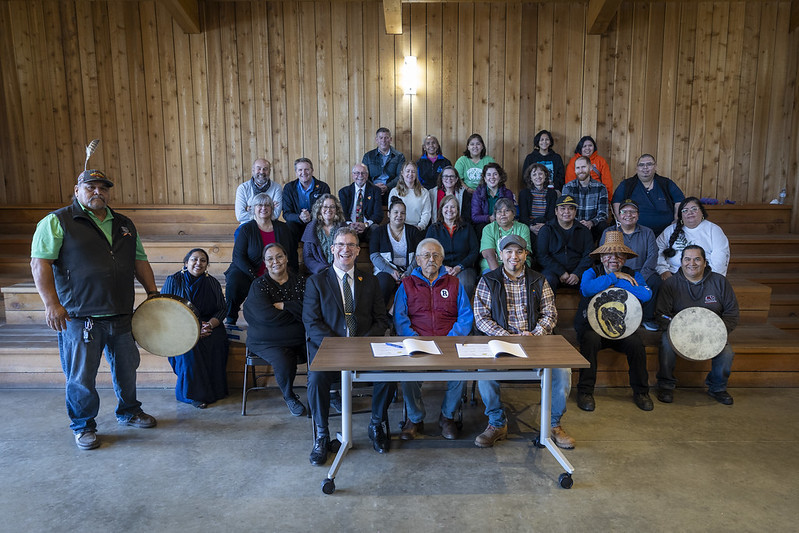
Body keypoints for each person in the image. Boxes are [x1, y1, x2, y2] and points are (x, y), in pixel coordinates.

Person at [30, 168, 158, 451]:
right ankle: (83, 426)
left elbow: (140, 260)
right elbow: (40, 263)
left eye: (103, 187)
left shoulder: (124, 224)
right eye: (90, 187)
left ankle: (130, 411)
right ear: (77, 191)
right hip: (80, 318)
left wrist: (153, 294)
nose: (97, 191)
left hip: (122, 314)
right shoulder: (57, 221)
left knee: (127, 369)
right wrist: (52, 304)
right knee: (81, 377)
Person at [303, 227, 395, 465]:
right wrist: (340, 346)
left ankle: (376, 424)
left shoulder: (370, 280)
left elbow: (381, 320)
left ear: (357, 251)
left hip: (363, 349)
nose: (346, 249)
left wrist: (358, 344)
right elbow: (311, 323)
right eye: (341, 245)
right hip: (330, 352)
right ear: (332, 249)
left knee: (389, 374)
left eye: (352, 245)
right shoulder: (316, 282)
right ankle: (322, 435)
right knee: (316, 379)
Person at [473, 235, 574, 449]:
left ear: (525, 254)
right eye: (508, 251)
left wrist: (535, 334)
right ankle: (497, 423)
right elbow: (481, 317)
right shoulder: (487, 280)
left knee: (562, 370)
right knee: (484, 371)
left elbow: (550, 314)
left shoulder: (539, 279)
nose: (514, 256)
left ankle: (553, 425)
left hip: (534, 342)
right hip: (502, 342)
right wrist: (505, 337)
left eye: (519, 251)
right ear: (501, 255)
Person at [393, 239, 474, 440]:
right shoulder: (406, 284)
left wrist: (450, 339)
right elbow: (400, 318)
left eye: (436, 255)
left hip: (449, 343)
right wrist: (414, 340)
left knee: (460, 371)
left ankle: (447, 417)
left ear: (442, 259)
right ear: (418, 260)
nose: (432, 259)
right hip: (418, 343)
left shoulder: (455, 283)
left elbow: (465, 316)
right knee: (408, 372)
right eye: (427, 255)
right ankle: (415, 418)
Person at [575, 232, 654, 412]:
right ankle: (585, 391)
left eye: (619, 255)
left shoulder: (634, 274)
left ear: (625, 258)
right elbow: (587, 290)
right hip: (592, 327)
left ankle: (641, 392)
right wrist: (613, 277)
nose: (614, 259)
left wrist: (618, 281)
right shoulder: (591, 272)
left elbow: (646, 294)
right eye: (609, 254)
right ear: (602, 257)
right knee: (590, 340)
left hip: (623, 329)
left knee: (636, 344)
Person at [655, 245, 739, 405]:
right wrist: (678, 328)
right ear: (681, 262)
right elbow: (661, 314)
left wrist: (718, 331)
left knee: (727, 352)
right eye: (687, 259)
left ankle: (717, 388)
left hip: (712, 333)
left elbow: (732, 313)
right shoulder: (671, 284)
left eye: (697, 259)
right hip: (678, 331)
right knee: (666, 344)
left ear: (705, 262)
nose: (691, 263)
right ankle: (665, 385)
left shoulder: (720, 282)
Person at [243, 243, 308, 417]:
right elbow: (266, 316)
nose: (275, 261)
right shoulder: (259, 285)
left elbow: (311, 309)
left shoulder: (301, 281)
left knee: (322, 350)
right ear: (265, 262)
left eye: (279, 256)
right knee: (283, 358)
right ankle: (289, 396)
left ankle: (330, 393)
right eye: (270, 258)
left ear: (286, 258)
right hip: (266, 342)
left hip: (300, 339)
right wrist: (296, 314)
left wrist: (284, 305)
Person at [162, 248, 228, 409]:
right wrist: (193, 329)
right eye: (194, 259)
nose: (198, 263)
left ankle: (215, 391)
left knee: (218, 340)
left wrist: (210, 324)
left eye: (203, 260)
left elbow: (221, 309)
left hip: (208, 325)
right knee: (190, 347)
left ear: (207, 265)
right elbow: (163, 309)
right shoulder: (174, 280)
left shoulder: (212, 282)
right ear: (186, 262)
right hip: (179, 327)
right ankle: (194, 395)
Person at [224, 193, 295, 325]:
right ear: (253, 208)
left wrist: (293, 272)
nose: (263, 208)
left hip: (277, 271)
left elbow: (291, 253)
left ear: (272, 208)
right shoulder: (246, 229)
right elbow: (238, 257)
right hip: (249, 272)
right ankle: (231, 317)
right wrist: (255, 276)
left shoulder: (283, 228)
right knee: (235, 281)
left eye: (267, 205)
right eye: (260, 205)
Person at [602, 199, 660, 331]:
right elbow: (603, 256)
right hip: (617, 272)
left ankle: (647, 318)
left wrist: (638, 278)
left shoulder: (647, 232)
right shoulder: (609, 232)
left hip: (640, 273)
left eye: (633, 211)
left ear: (638, 215)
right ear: (618, 215)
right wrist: (618, 275)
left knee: (655, 280)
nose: (629, 214)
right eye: (624, 211)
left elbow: (652, 256)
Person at [612, 154, 685, 236]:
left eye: (649, 164)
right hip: (635, 232)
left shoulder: (666, 183)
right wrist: (621, 221)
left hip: (665, 232)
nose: (645, 167)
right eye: (641, 165)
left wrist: (676, 219)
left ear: (655, 167)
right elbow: (616, 202)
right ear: (637, 168)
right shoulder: (627, 184)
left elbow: (679, 200)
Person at [657, 197, 730, 278]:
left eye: (694, 209)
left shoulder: (713, 230)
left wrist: (711, 279)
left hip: (704, 276)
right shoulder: (670, 230)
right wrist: (663, 270)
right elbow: (657, 250)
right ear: (681, 216)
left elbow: (720, 257)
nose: (690, 212)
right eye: (685, 210)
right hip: (673, 275)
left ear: (702, 212)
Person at [369, 198, 424, 306]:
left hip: (409, 271)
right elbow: (374, 256)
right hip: (385, 270)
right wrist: (390, 271)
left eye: (402, 213)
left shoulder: (413, 232)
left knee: (415, 283)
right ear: (389, 214)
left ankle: (398, 315)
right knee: (384, 282)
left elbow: (420, 255)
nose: (399, 215)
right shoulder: (379, 232)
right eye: (396, 212)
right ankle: (380, 315)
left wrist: (408, 273)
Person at [536, 195, 594, 292]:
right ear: (556, 211)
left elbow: (589, 255)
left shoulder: (584, 231)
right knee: (547, 280)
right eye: (562, 209)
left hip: (577, 271)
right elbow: (542, 256)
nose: (566, 212)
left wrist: (577, 274)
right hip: (553, 272)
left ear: (575, 212)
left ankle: (584, 308)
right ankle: (548, 307)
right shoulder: (546, 230)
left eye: (571, 209)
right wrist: (561, 272)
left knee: (590, 282)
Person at [426, 194, 480, 296]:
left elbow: (474, 251)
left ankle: (461, 311)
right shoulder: (434, 229)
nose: (449, 210)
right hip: (438, 267)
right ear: (441, 209)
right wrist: (442, 267)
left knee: (466, 284)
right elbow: (427, 252)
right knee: (436, 283)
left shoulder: (467, 228)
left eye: (453, 207)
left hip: (464, 267)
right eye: (446, 207)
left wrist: (460, 266)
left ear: (458, 210)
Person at [562, 155, 609, 242]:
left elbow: (603, 213)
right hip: (574, 225)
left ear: (590, 168)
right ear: (575, 170)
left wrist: (591, 222)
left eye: (583, 167)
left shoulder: (601, 188)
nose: (580, 171)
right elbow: (565, 211)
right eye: (578, 168)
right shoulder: (568, 187)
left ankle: (601, 253)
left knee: (603, 226)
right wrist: (578, 223)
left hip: (593, 226)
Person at [282, 157, 331, 241]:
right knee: (288, 226)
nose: (303, 173)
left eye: (306, 169)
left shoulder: (323, 187)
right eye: (300, 170)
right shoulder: (289, 188)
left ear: (312, 170)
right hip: (296, 224)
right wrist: (299, 217)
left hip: (316, 223)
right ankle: (292, 254)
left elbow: (326, 210)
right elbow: (286, 214)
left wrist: (311, 216)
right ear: (296, 173)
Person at [479, 197, 533, 273]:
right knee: (492, 281)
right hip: (492, 267)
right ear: (495, 215)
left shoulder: (523, 228)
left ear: (513, 213)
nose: (503, 214)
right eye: (499, 212)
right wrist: (498, 274)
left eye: (507, 211)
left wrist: (512, 270)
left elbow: (525, 251)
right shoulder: (488, 229)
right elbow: (488, 254)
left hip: (518, 264)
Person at [301, 193, 346, 275]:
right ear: (320, 209)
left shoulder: (344, 228)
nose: (329, 209)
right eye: (325, 206)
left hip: (341, 272)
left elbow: (350, 252)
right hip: (318, 273)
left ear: (336, 210)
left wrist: (338, 269)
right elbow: (308, 257)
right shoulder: (311, 228)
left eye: (332, 207)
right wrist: (323, 269)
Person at [338, 163, 384, 240]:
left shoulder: (375, 191)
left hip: (368, 228)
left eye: (363, 173)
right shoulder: (344, 192)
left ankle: (374, 252)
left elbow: (378, 214)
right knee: (339, 228)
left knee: (376, 229)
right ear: (352, 175)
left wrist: (365, 225)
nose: (360, 175)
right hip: (349, 227)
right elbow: (343, 214)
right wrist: (350, 225)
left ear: (367, 175)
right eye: (357, 173)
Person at [362, 127, 406, 199]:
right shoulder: (368, 156)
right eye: (381, 138)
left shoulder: (399, 156)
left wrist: (387, 187)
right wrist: (374, 187)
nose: (383, 140)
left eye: (386, 138)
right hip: (371, 189)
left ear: (390, 139)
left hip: (392, 190)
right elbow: (363, 175)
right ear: (376, 140)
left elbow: (400, 176)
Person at [235, 158, 282, 224]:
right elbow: (240, 216)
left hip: (269, 226)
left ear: (269, 171)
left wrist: (251, 210)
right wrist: (267, 210)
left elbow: (276, 215)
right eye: (259, 168)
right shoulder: (243, 188)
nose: (262, 172)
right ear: (253, 171)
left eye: (265, 169)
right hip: (247, 226)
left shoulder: (277, 188)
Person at [388, 161, 432, 231]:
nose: (410, 174)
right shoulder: (394, 191)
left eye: (413, 172)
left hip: (417, 229)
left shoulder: (424, 192)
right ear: (402, 173)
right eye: (408, 171)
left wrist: (420, 226)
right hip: (399, 229)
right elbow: (392, 213)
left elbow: (426, 213)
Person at [518, 163, 559, 238]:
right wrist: (531, 227)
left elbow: (552, 216)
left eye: (540, 174)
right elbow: (523, 217)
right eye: (534, 174)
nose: (538, 177)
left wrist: (544, 226)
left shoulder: (552, 193)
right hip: (529, 228)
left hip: (547, 227)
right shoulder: (524, 193)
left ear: (545, 175)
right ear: (530, 178)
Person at [471, 162, 516, 228]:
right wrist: (489, 218)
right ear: (485, 178)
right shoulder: (478, 193)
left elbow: (510, 213)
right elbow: (475, 217)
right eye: (489, 175)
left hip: (503, 223)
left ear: (500, 177)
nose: (492, 177)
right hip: (484, 225)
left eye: (495, 174)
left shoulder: (507, 193)